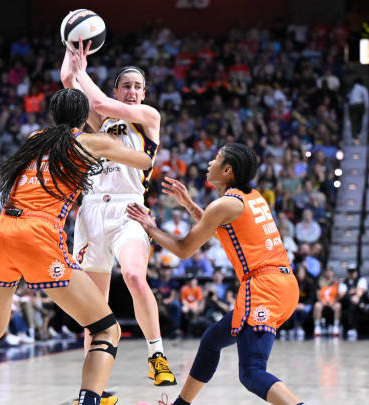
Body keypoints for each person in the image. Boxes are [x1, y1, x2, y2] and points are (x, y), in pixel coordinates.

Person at [0, 88, 154, 405]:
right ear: (84, 117)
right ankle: (89, 401)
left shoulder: (35, 138)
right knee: (105, 329)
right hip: (39, 233)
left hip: (1, 230)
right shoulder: (90, 141)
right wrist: (137, 122)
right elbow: (143, 159)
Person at [127, 143, 302, 405]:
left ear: (228, 170)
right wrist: (187, 203)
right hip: (284, 283)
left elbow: (184, 249)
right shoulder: (252, 197)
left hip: (264, 287)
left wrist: (151, 228)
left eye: (215, 159)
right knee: (211, 340)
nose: (210, 163)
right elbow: (216, 225)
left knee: (252, 372)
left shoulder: (224, 205)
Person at [62, 39, 177, 388]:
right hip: (93, 210)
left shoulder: (148, 116)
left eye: (137, 87)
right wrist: (72, 51)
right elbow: (68, 82)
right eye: (126, 85)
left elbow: (95, 98)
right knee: (93, 309)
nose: (132, 91)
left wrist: (84, 72)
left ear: (144, 94)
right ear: (116, 89)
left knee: (133, 275)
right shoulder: (98, 121)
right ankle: (94, 387)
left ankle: (156, 355)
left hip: (130, 207)